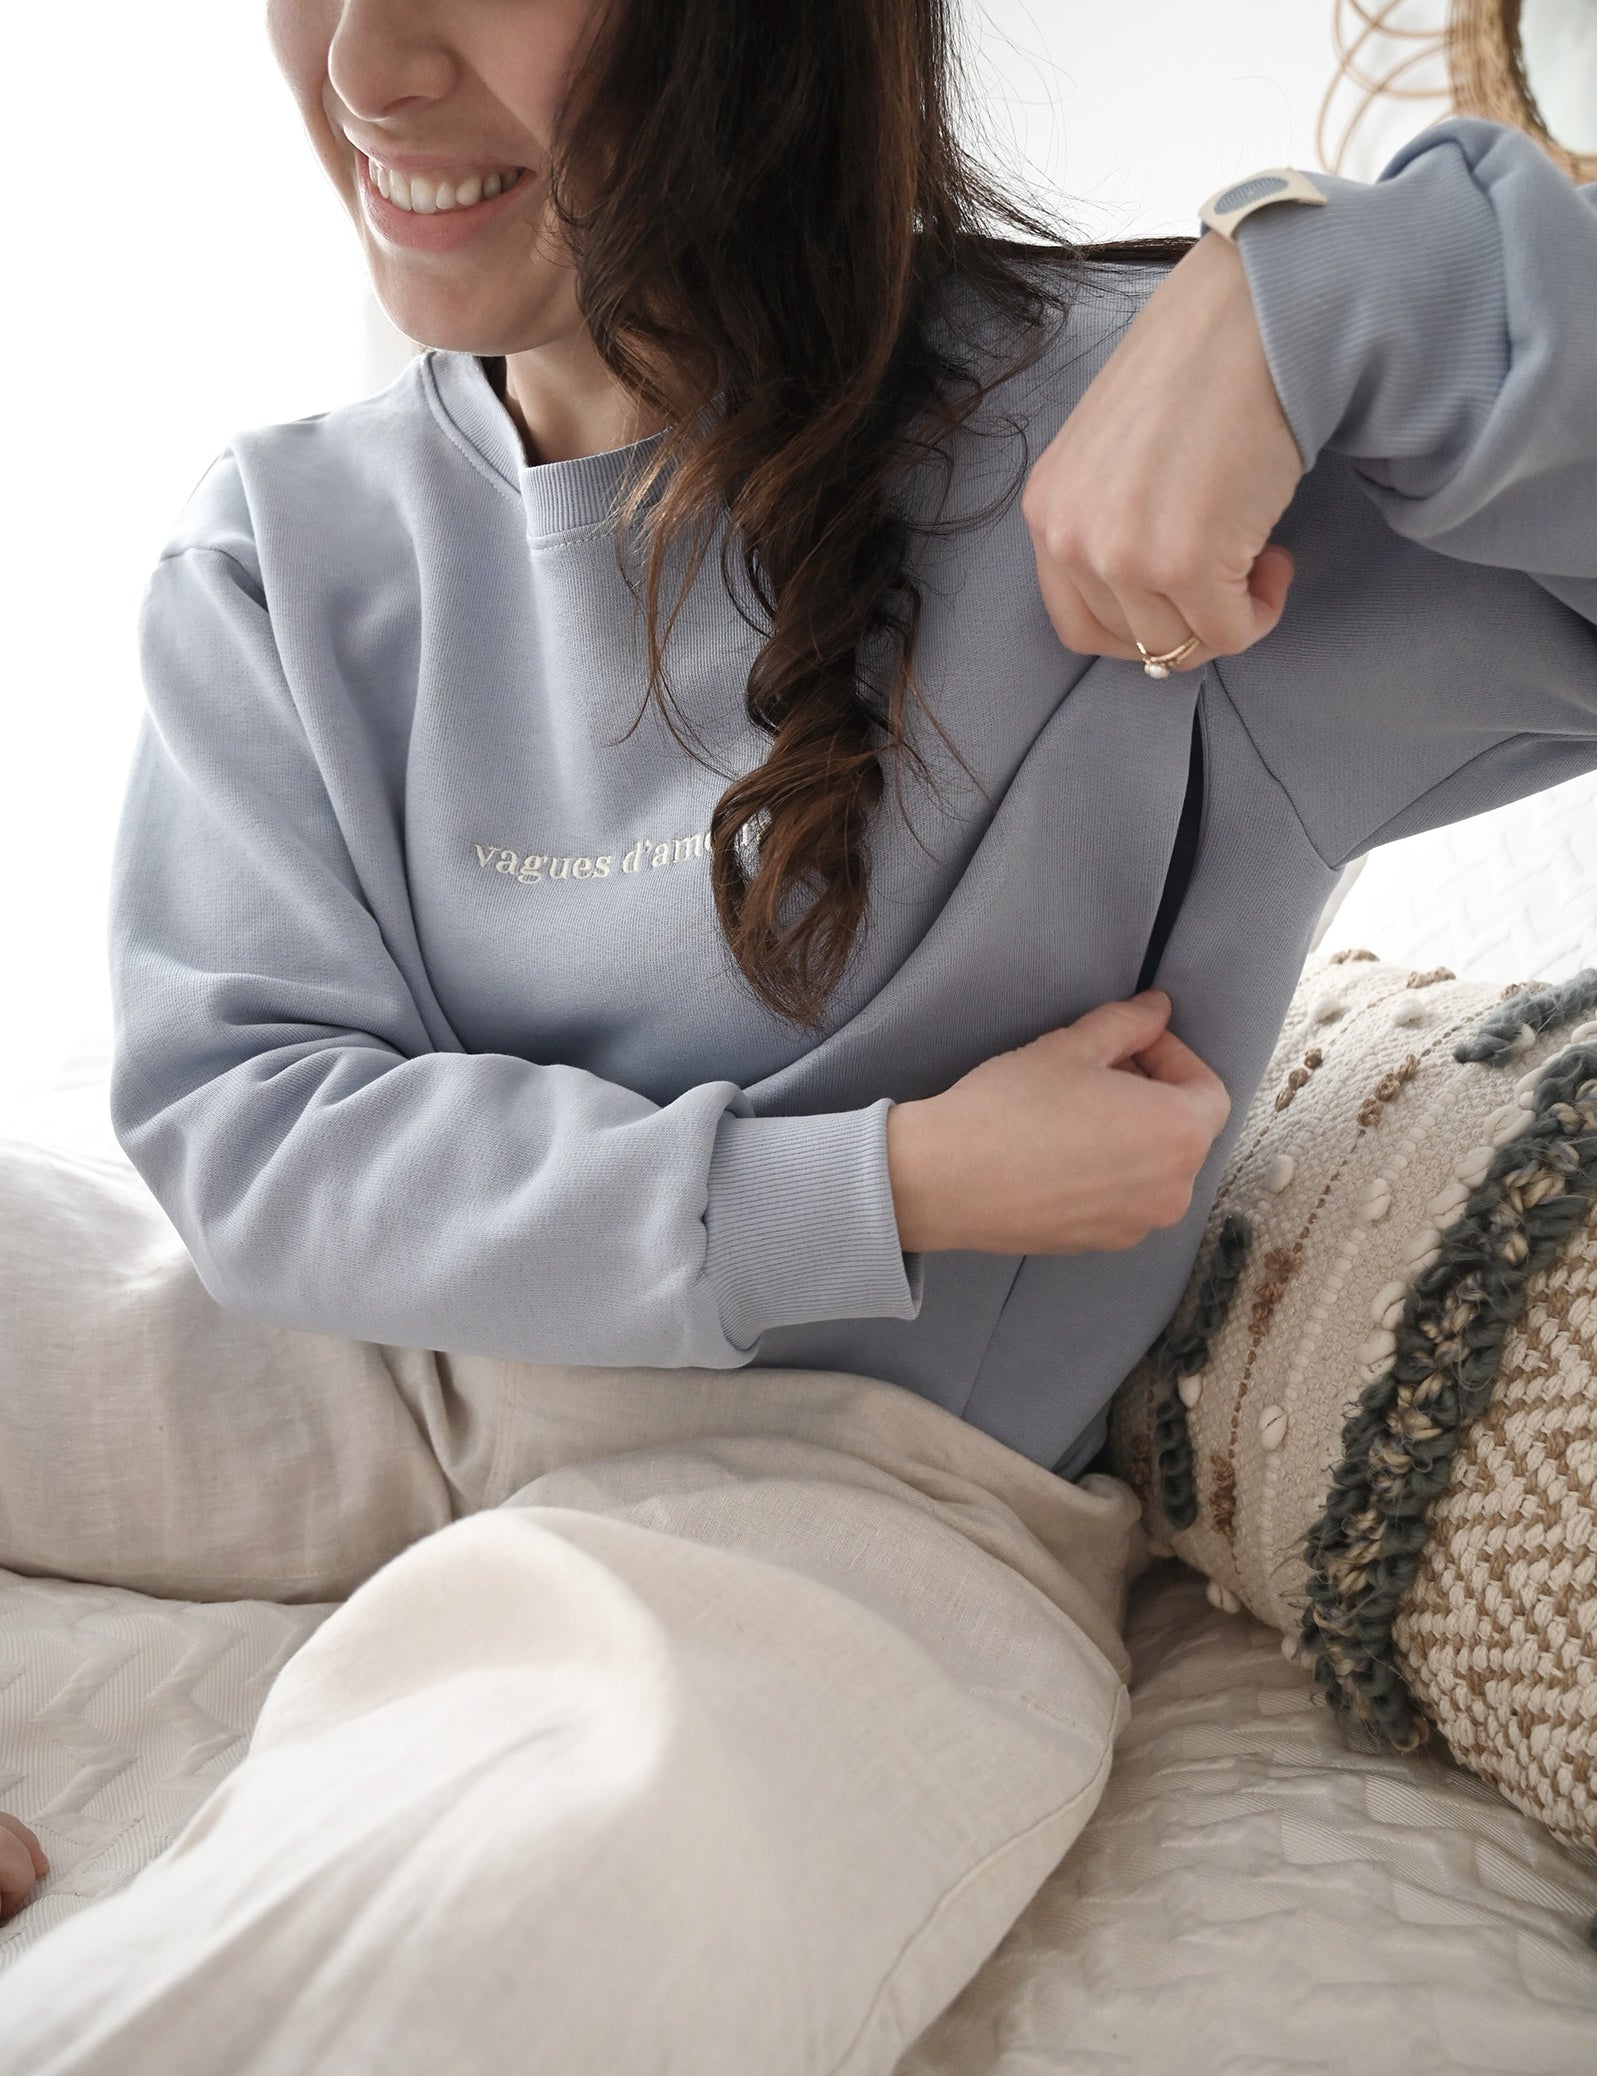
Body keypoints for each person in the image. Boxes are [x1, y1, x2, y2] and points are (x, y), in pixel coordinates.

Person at [0, 0, 1593, 2065]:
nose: (365, 71)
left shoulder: (1136, 468)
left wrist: (1313, 283)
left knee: (470, 1937)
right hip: (390, 1350)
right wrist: (882, 1181)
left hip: (840, 1489)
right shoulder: (289, 537)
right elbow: (253, 1137)